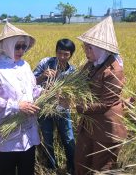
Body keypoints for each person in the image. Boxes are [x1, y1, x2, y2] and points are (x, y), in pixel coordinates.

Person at [0, 22, 42, 175]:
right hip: (6, 135)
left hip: (27, 133)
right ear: (7, 46)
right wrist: (17, 106)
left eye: (24, 46)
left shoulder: (25, 65)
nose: (21, 50)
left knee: (27, 171)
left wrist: (46, 93)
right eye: (17, 46)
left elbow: (33, 90)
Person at [74, 16, 127, 174]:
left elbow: (106, 102)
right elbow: (78, 81)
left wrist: (76, 106)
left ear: (101, 48)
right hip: (89, 124)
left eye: (89, 48)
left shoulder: (114, 70)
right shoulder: (91, 64)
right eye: (85, 47)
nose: (86, 52)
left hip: (106, 127)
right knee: (81, 162)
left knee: (101, 167)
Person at [33, 38, 76, 174]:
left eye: (66, 55)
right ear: (56, 52)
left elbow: (74, 93)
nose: (62, 57)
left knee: (68, 138)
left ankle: (72, 166)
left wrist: (63, 94)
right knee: (47, 138)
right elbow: (30, 82)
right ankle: (52, 167)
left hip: (62, 110)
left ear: (71, 55)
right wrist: (42, 76)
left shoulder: (72, 72)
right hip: (44, 108)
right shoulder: (46, 63)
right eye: (59, 53)